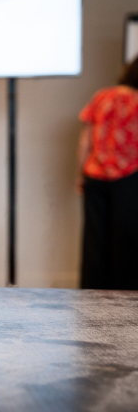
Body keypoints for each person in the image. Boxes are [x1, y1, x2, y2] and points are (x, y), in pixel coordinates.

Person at [78, 56, 138, 290]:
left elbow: (85, 140)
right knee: (127, 241)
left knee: (94, 242)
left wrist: (80, 173)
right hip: (130, 178)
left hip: (94, 175)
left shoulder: (102, 95)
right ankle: (124, 299)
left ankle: (91, 295)